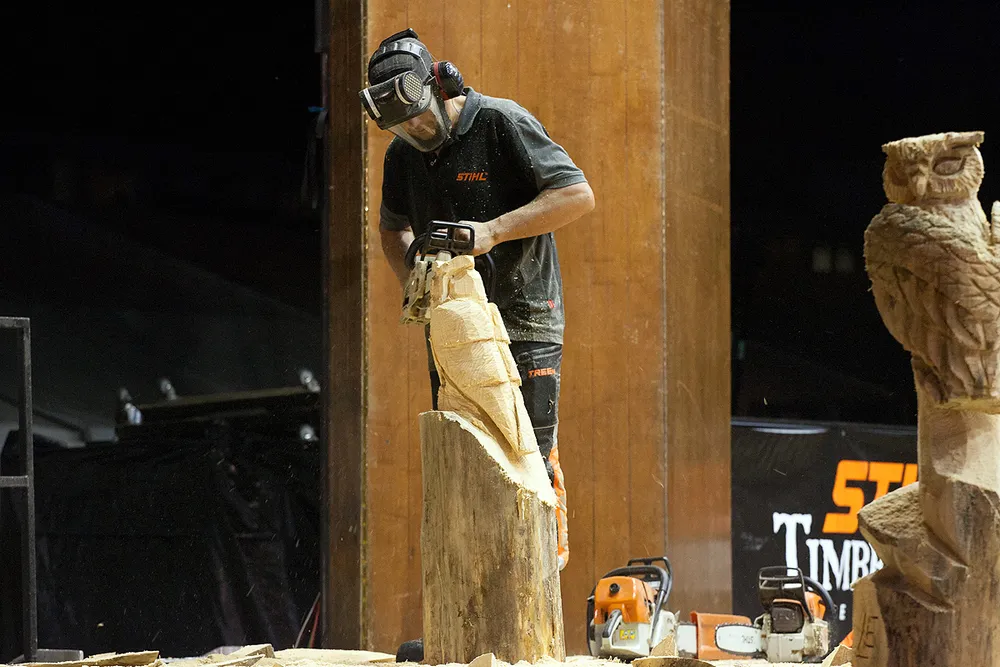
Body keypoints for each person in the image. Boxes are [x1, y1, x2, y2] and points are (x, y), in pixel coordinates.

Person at [360, 28, 594, 575]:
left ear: (441, 85)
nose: (415, 131)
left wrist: (492, 231)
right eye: (402, 125)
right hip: (453, 326)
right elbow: (391, 229)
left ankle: (537, 575)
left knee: (527, 456)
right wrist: (413, 281)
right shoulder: (402, 155)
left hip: (526, 316)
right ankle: (480, 578)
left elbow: (576, 195)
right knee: (467, 454)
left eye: (420, 118)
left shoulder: (499, 122)